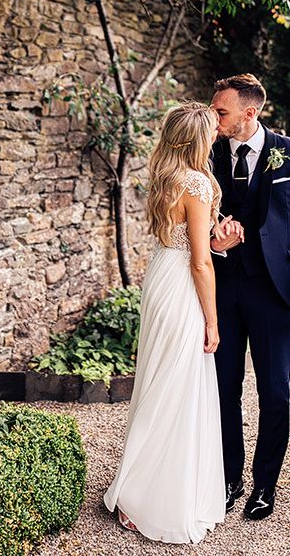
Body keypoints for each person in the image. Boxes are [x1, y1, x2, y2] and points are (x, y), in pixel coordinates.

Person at [104, 101, 226, 543]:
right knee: (177, 384)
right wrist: (212, 321)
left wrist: (218, 239)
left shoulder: (166, 176)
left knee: (159, 379)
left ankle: (142, 483)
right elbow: (200, 262)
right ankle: (149, 496)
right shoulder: (196, 182)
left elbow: (186, 240)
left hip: (160, 276)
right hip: (181, 284)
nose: (218, 134)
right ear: (198, 138)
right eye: (213, 129)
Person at [209, 73, 290, 520]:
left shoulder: (288, 152)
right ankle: (228, 477)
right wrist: (212, 236)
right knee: (223, 389)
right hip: (222, 287)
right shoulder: (207, 153)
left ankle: (265, 484)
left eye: (221, 112)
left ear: (249, 113)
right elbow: (192, 212)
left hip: (274, 291)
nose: (214, 119)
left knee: (278, 393)